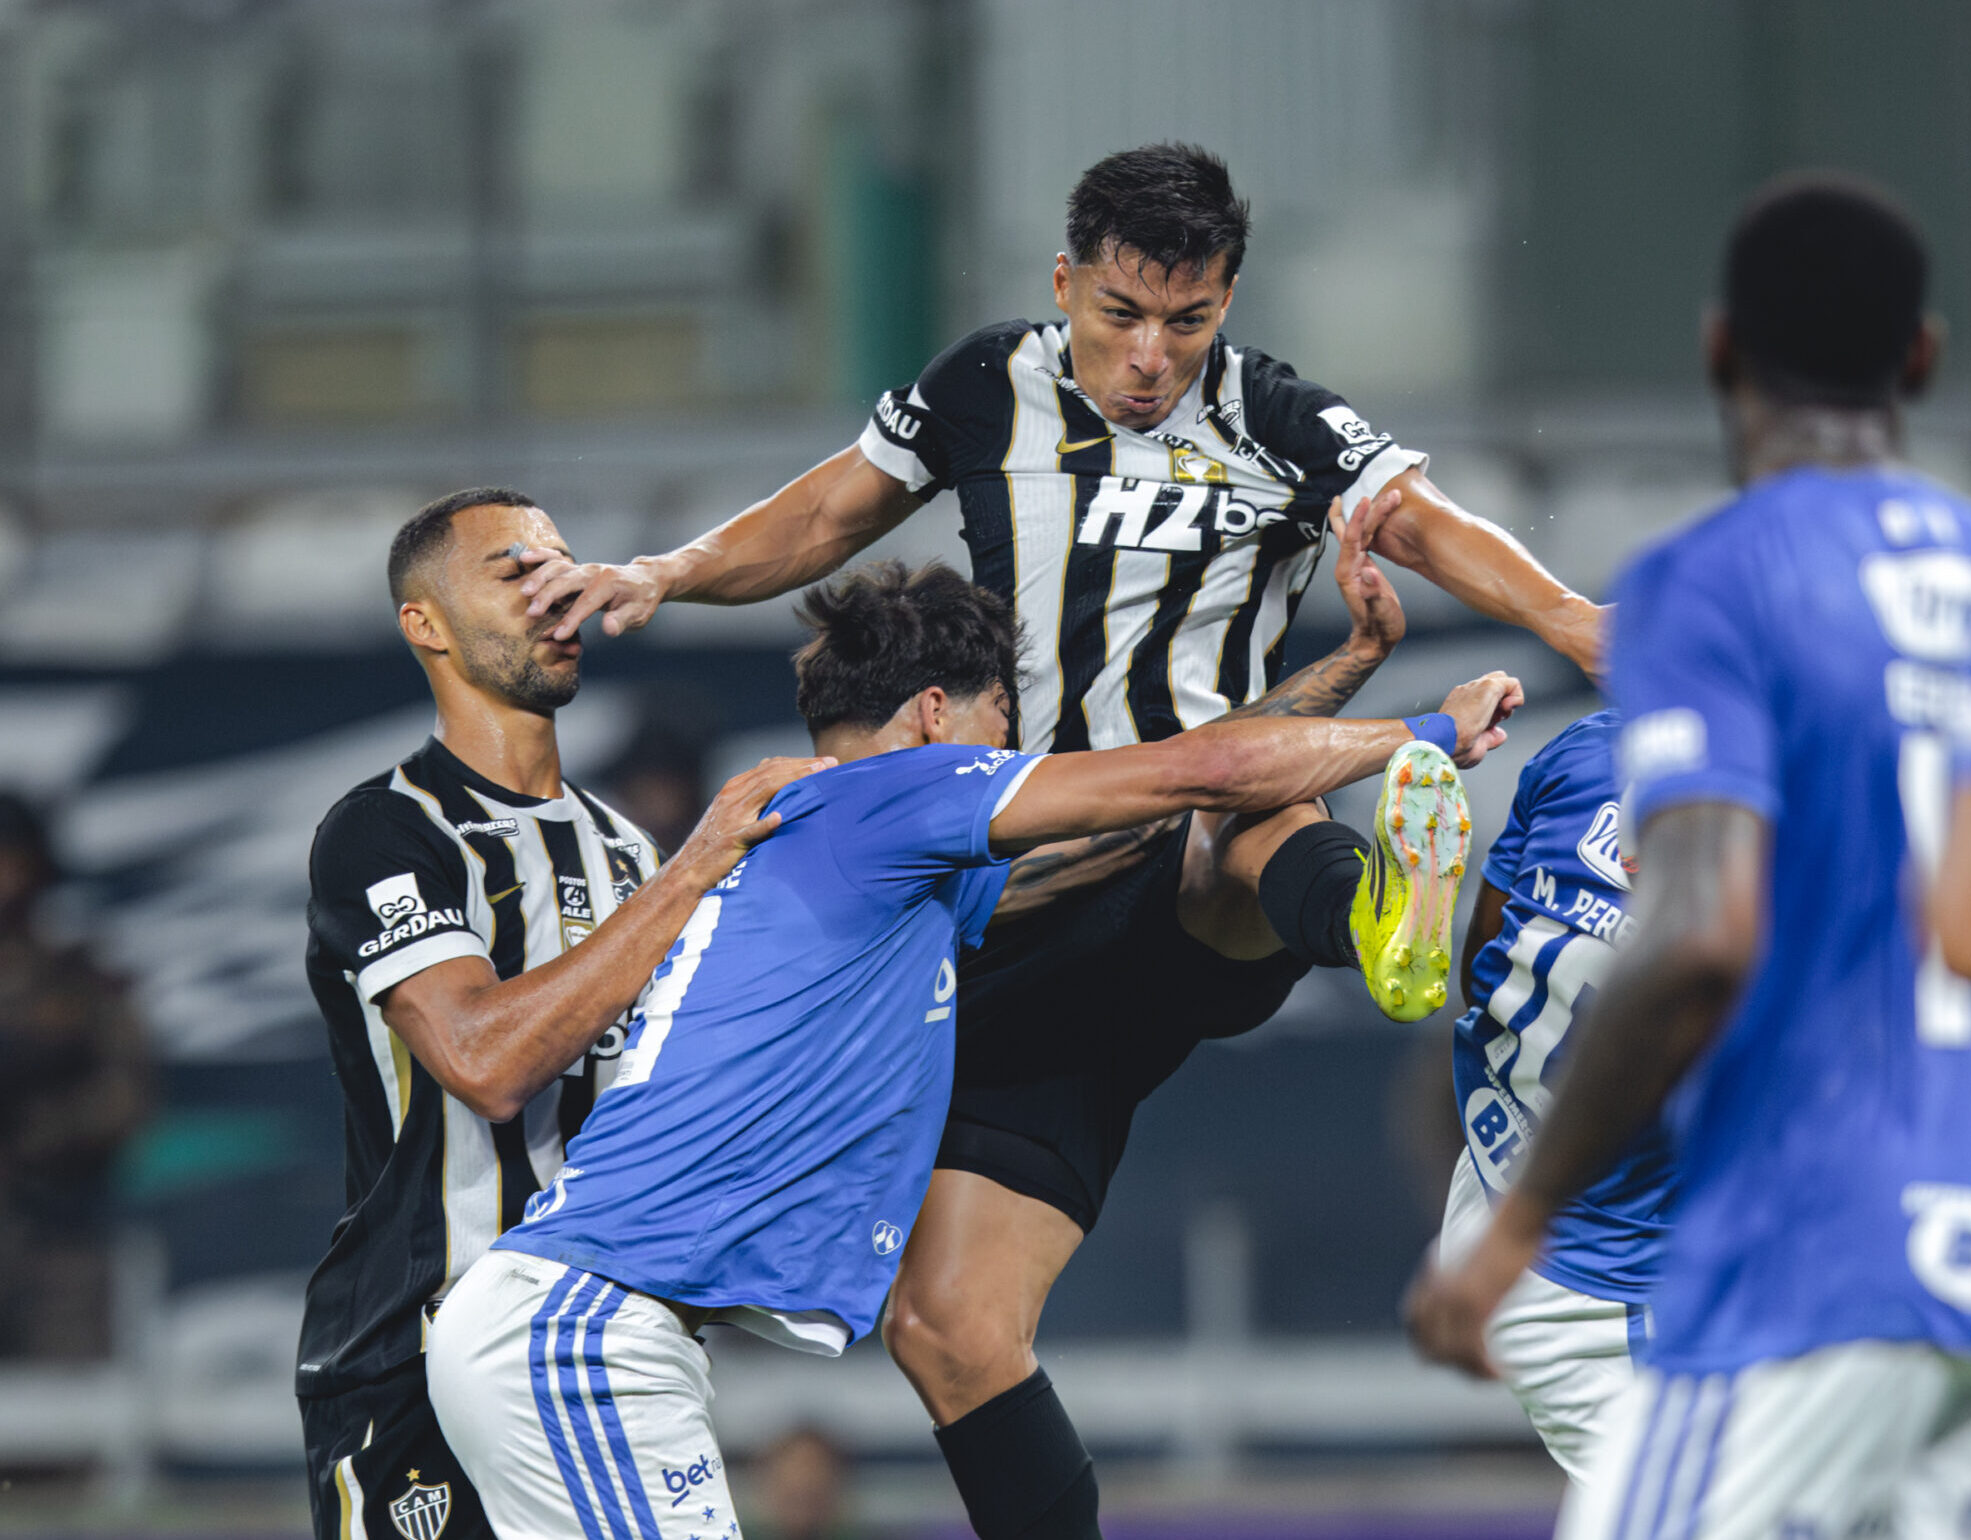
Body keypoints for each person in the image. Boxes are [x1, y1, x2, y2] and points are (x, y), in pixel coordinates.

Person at [513, 143, 1597, 1537]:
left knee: (1232, 823)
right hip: (1017, 918)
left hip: (1201, 836)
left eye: (1189, 321)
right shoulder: (985, 387)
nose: (1153, 357)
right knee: (949, 1328)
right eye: (1122, 317)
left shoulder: (1272, 418)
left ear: (1227, 304)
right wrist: (664, 569)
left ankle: (1391, 917)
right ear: (1066, 283)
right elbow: (834, 510)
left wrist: (1580, 626)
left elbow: (1427, 524)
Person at [425, 557, 1524, 1540]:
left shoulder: (814, 840)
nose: (1012, 748)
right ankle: (1365, 913)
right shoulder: (894, 798)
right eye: (1003, 717)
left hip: (564, 1327)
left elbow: (1149, 827)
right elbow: (1199, 774)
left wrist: (1343, 665)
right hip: (582, 1332)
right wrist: (1425, 732)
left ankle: (1363, 919)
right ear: (936, 711)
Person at [1405, 176, 1971, 1536]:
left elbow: (1699, 937)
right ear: (1921, 358)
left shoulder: (1720, 580)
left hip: (1814, 1269)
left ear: (1719, 351)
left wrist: (1511, 1236)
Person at [298, 487, 826, 1540]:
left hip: (600, 1363)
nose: (557, 593)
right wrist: (694, 875)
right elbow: (483, 1059)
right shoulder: (385, 833)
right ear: (426, 624)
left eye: (562, 567)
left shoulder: (631, 852)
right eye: (513, 571)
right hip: (413, 1364)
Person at [1432, 710, 1673, 1488]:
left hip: (1500, 1181)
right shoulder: (1818, 816)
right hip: (1615, 1280)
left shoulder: (1585, 748)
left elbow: (1481, 960)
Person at [0, 792, 151, 1364]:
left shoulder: (81, 984)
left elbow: (126, 1098)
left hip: (53, 1238)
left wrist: (30, 1137)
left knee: (65, 1420)